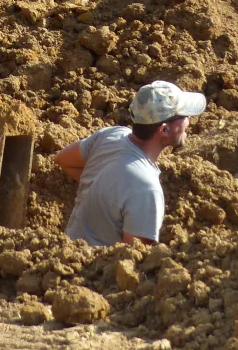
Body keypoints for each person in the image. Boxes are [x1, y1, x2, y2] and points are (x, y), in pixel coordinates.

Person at [54, 80, 206, 247]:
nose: (189, 120)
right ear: (164, 129)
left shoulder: (110, 136)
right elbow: (134, 258)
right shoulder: (146, 189)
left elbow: (63, 160)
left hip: (64, 251)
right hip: (93, 270)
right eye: (184, 116)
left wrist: (101, 190)